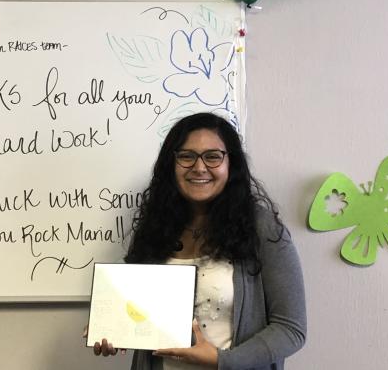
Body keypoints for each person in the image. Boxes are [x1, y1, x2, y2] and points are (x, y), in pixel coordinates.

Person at [89, 113, 306, 370]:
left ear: (231, 164)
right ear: (172, 163)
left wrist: (222, 361)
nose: (199, 167)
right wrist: (115, 329)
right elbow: (140, 312)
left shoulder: (261, 227)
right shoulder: (156, 226)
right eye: (186, 156)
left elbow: (291, 329)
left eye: (213, 156)